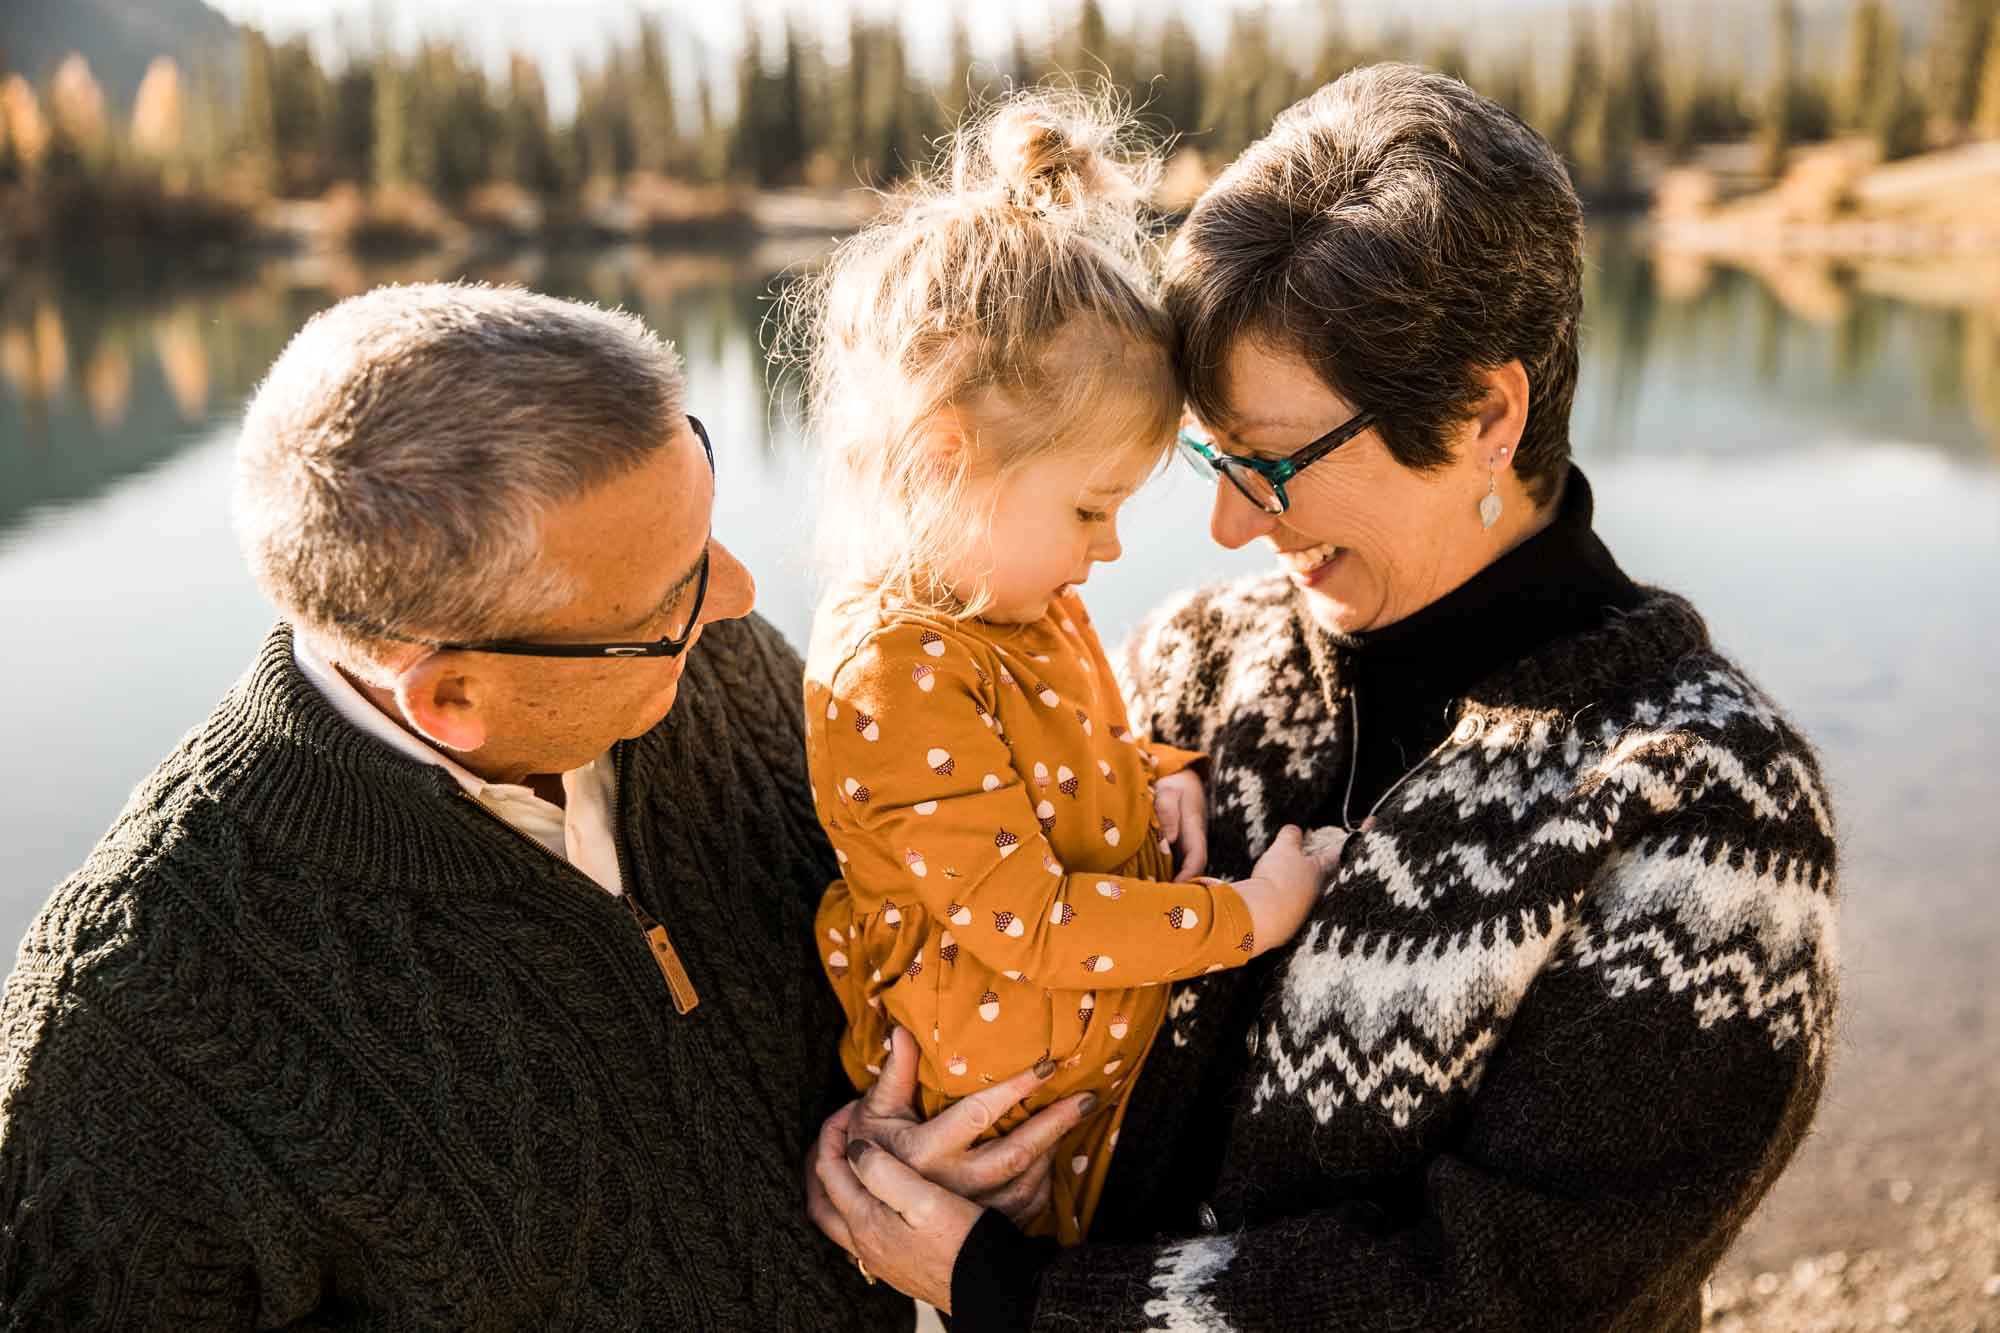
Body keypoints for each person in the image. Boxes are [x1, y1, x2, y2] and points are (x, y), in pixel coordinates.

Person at [808, 64, 1840, 1332]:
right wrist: (902, 1151)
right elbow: (959, 930)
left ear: (1483, 413)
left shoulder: (1707, 811)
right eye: (1211, 453)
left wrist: (1018, 1291)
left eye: (1274, 462)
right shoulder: (1189, 661)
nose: (1229, 524)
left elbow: (1511, 1288)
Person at [0, 283, 1054, 1328]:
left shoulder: (710, 666)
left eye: (702, 529)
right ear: (452, 698)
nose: (735, 594)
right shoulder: (127, 1023)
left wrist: (916, 1160)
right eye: (671, 596)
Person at [791, 91, 1332, 1249]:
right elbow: (1028, 918)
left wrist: (1156, 772)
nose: (1110, 547)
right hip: (995, 1119)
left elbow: (1054, 766)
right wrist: (1246, 915)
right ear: (943, 464)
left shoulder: (1019, 604)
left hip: (1079, 1082)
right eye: (1089, 508)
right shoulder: (891, 667)